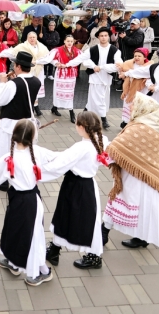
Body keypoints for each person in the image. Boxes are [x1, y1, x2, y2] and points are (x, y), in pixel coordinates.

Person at [0, 120, 58, 286]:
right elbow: (59, 160)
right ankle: (14, 263)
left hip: (26, 202)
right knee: (15, 231)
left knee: (32, 236)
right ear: (32, 137)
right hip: (26, 200)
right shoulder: (37, 152)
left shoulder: (9, 158)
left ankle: (41, 271)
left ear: (14, 136)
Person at [102, 93, 159, 249]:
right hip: (147, 175)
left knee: (120, 199)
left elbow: (116, 149)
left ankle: (104, 232)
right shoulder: (155, 124)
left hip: (134, 176)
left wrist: (103, 146)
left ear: (143, 108)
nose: (131, 106)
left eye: (134, 104)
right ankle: (141, 237)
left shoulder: (140, 128)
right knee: (143, 207)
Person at [43, 111, 110, 269]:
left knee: (86, 222)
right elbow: (66, 157)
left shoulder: (82, 147)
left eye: (77, 124)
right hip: (86, 185)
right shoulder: (101, 140)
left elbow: (59, 165)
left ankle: (94, 257)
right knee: (67, 217)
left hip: (77, 187)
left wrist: (36, 170)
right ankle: (54, 249)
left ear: (81, 127)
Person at [66, 27, 122, 129]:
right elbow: (80, 59)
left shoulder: (115, 51)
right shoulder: (92, 49)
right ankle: (103, 119)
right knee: (99, 99)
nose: (104, 38)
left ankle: (84, 113)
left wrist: (101, 67)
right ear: (98, 37)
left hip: (106, 78)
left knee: (99, 99)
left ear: (108, 37)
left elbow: (117, 65)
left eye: (105, 35)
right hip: (95, 78)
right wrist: (67, 64)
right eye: (101, 36)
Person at [0, 51, 41, 164]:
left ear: (18, 67)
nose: (13, 66)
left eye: (14, 64)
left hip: (11, 125)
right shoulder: (36, 81)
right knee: (23, 154)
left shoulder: (13, 84)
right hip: (27, 123)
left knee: (5, 154)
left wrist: (2, 83)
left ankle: (5, 177)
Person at [0, 32, 50, 116]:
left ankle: (36, 106)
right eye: (30, 37)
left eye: (34, 37)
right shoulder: (22, 46)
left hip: (39, 70)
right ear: (27, 38)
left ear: (36, 38)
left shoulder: (42, 47)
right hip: (28, 70)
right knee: (28, 89)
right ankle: (31, 108)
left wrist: (37, 61)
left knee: (35, 88)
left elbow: (47, 58)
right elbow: (12, 54)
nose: (32, 39)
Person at [36, 35, 81, 121]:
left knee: (70, 93)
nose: (70, 43)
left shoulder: (77, 51)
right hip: (61, 73)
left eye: (71, 41)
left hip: (71, 74)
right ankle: (55, 107)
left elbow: (82, 59)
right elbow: (49, 59)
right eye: (68, 41)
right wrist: (56, 63)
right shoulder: (57, 50)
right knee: (58, 91)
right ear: (64, 41)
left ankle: (71, 112)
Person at [117, 48, 151, 128]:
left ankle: (137, 123)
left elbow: (139, 74)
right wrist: (120, 70)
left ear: (145, 57)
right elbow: (122, 71)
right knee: (128, 104)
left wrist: (126, 74)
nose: (137, 58)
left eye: (139, 56)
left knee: (138, 106)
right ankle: (126, 122)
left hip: (141, 90)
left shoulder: (148, 67)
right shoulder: (130, 64)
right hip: (130, 89)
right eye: (135, 56)